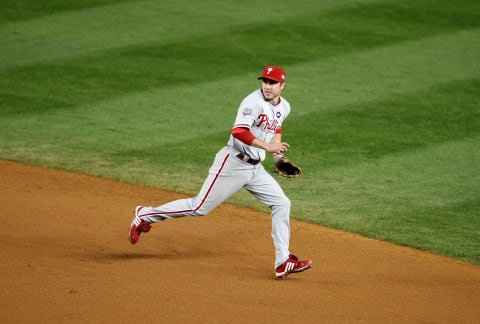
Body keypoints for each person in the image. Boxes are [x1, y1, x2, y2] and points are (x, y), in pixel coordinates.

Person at [129, 66, 312, 279]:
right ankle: (145, 214)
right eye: (265, 81)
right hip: (233, 163)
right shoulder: (252, 102)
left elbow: (275, 129)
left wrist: (278, 157)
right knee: (199, 207)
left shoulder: (285, 106)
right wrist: (267, 147)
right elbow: (239, 131)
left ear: (283, 86)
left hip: (255, 168)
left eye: (272, 83)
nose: (267, 86)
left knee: (282, 203)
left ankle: (283, 261)